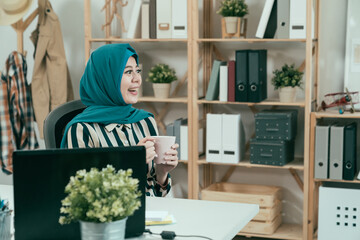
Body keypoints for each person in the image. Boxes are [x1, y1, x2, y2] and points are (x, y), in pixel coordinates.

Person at [60, 43, 179, 197]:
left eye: (138, 71)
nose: (137, 79)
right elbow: (80, 196)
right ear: (107, 78)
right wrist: (130, 162)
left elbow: (156, 194)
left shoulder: (145, 121)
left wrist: (162, 173)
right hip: (108, 220)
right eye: (128, 72)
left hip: (149, 216)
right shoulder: (82, 130)